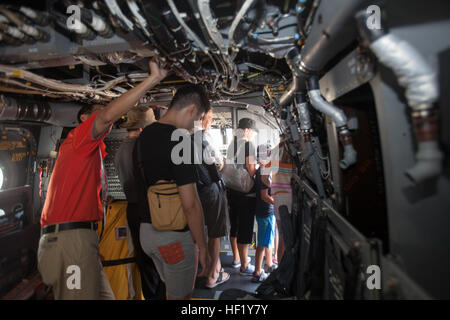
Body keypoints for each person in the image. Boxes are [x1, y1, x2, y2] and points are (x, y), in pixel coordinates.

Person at [37, 60, 168, 300]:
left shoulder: (93, 151)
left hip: (81, 241)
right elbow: (107, 116)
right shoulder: (78, 139)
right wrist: (152, 79)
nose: (107, 114)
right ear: (84, 118)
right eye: (99, 110)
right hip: (69, 241)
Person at [134, 84, 210, 300]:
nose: (195, 126)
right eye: (198, 119)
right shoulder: (181, 139)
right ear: (192, 110)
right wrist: (203, 247)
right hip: (173, 237)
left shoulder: (143, 136)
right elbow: (191, 203)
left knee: (170, 290)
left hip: (147, 235)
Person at [114, 107, 166, 299]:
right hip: (151, 210)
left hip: (133, 210)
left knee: (145, 263)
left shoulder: (120, 150)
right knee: (161, 260)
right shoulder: (143, 149)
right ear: (143, 129)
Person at [192, 109, 230, 288]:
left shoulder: (184, 137)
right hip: (211, 190)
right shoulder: (204, 137)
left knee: (197, 233)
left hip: (194, 190)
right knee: (216, 233)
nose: (213, 120)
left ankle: (205, 269)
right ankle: (213, 276)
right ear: (202, 118)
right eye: (210, 117)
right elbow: (217, 164)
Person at [226, 118, 258, 276]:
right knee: (245, 227)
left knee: (235, 225)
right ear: (246, 130)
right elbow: (251, 170)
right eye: (252, 131)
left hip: (232, 190)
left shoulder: (232, 144)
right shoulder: (248, 145)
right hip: (246, 192)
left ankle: (236, 259)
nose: (252, 134)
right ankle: (245, 266)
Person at [252, 143, 276, 282]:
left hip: (263, 212)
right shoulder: (264, 171)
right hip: (266, 212)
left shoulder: (261, 169)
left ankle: (269, 264)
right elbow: (264, 196)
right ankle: (257, 272)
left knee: (267, 241)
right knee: (262, 243)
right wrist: (277, 203)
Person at [269, 140, 296, 263]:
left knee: (282, 236)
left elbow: (264, 178)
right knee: (292, 237)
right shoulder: (296, 153)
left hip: (279, 199)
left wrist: (275, 186)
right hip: (292, 198)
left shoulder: (274, 152)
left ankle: (281, 269)